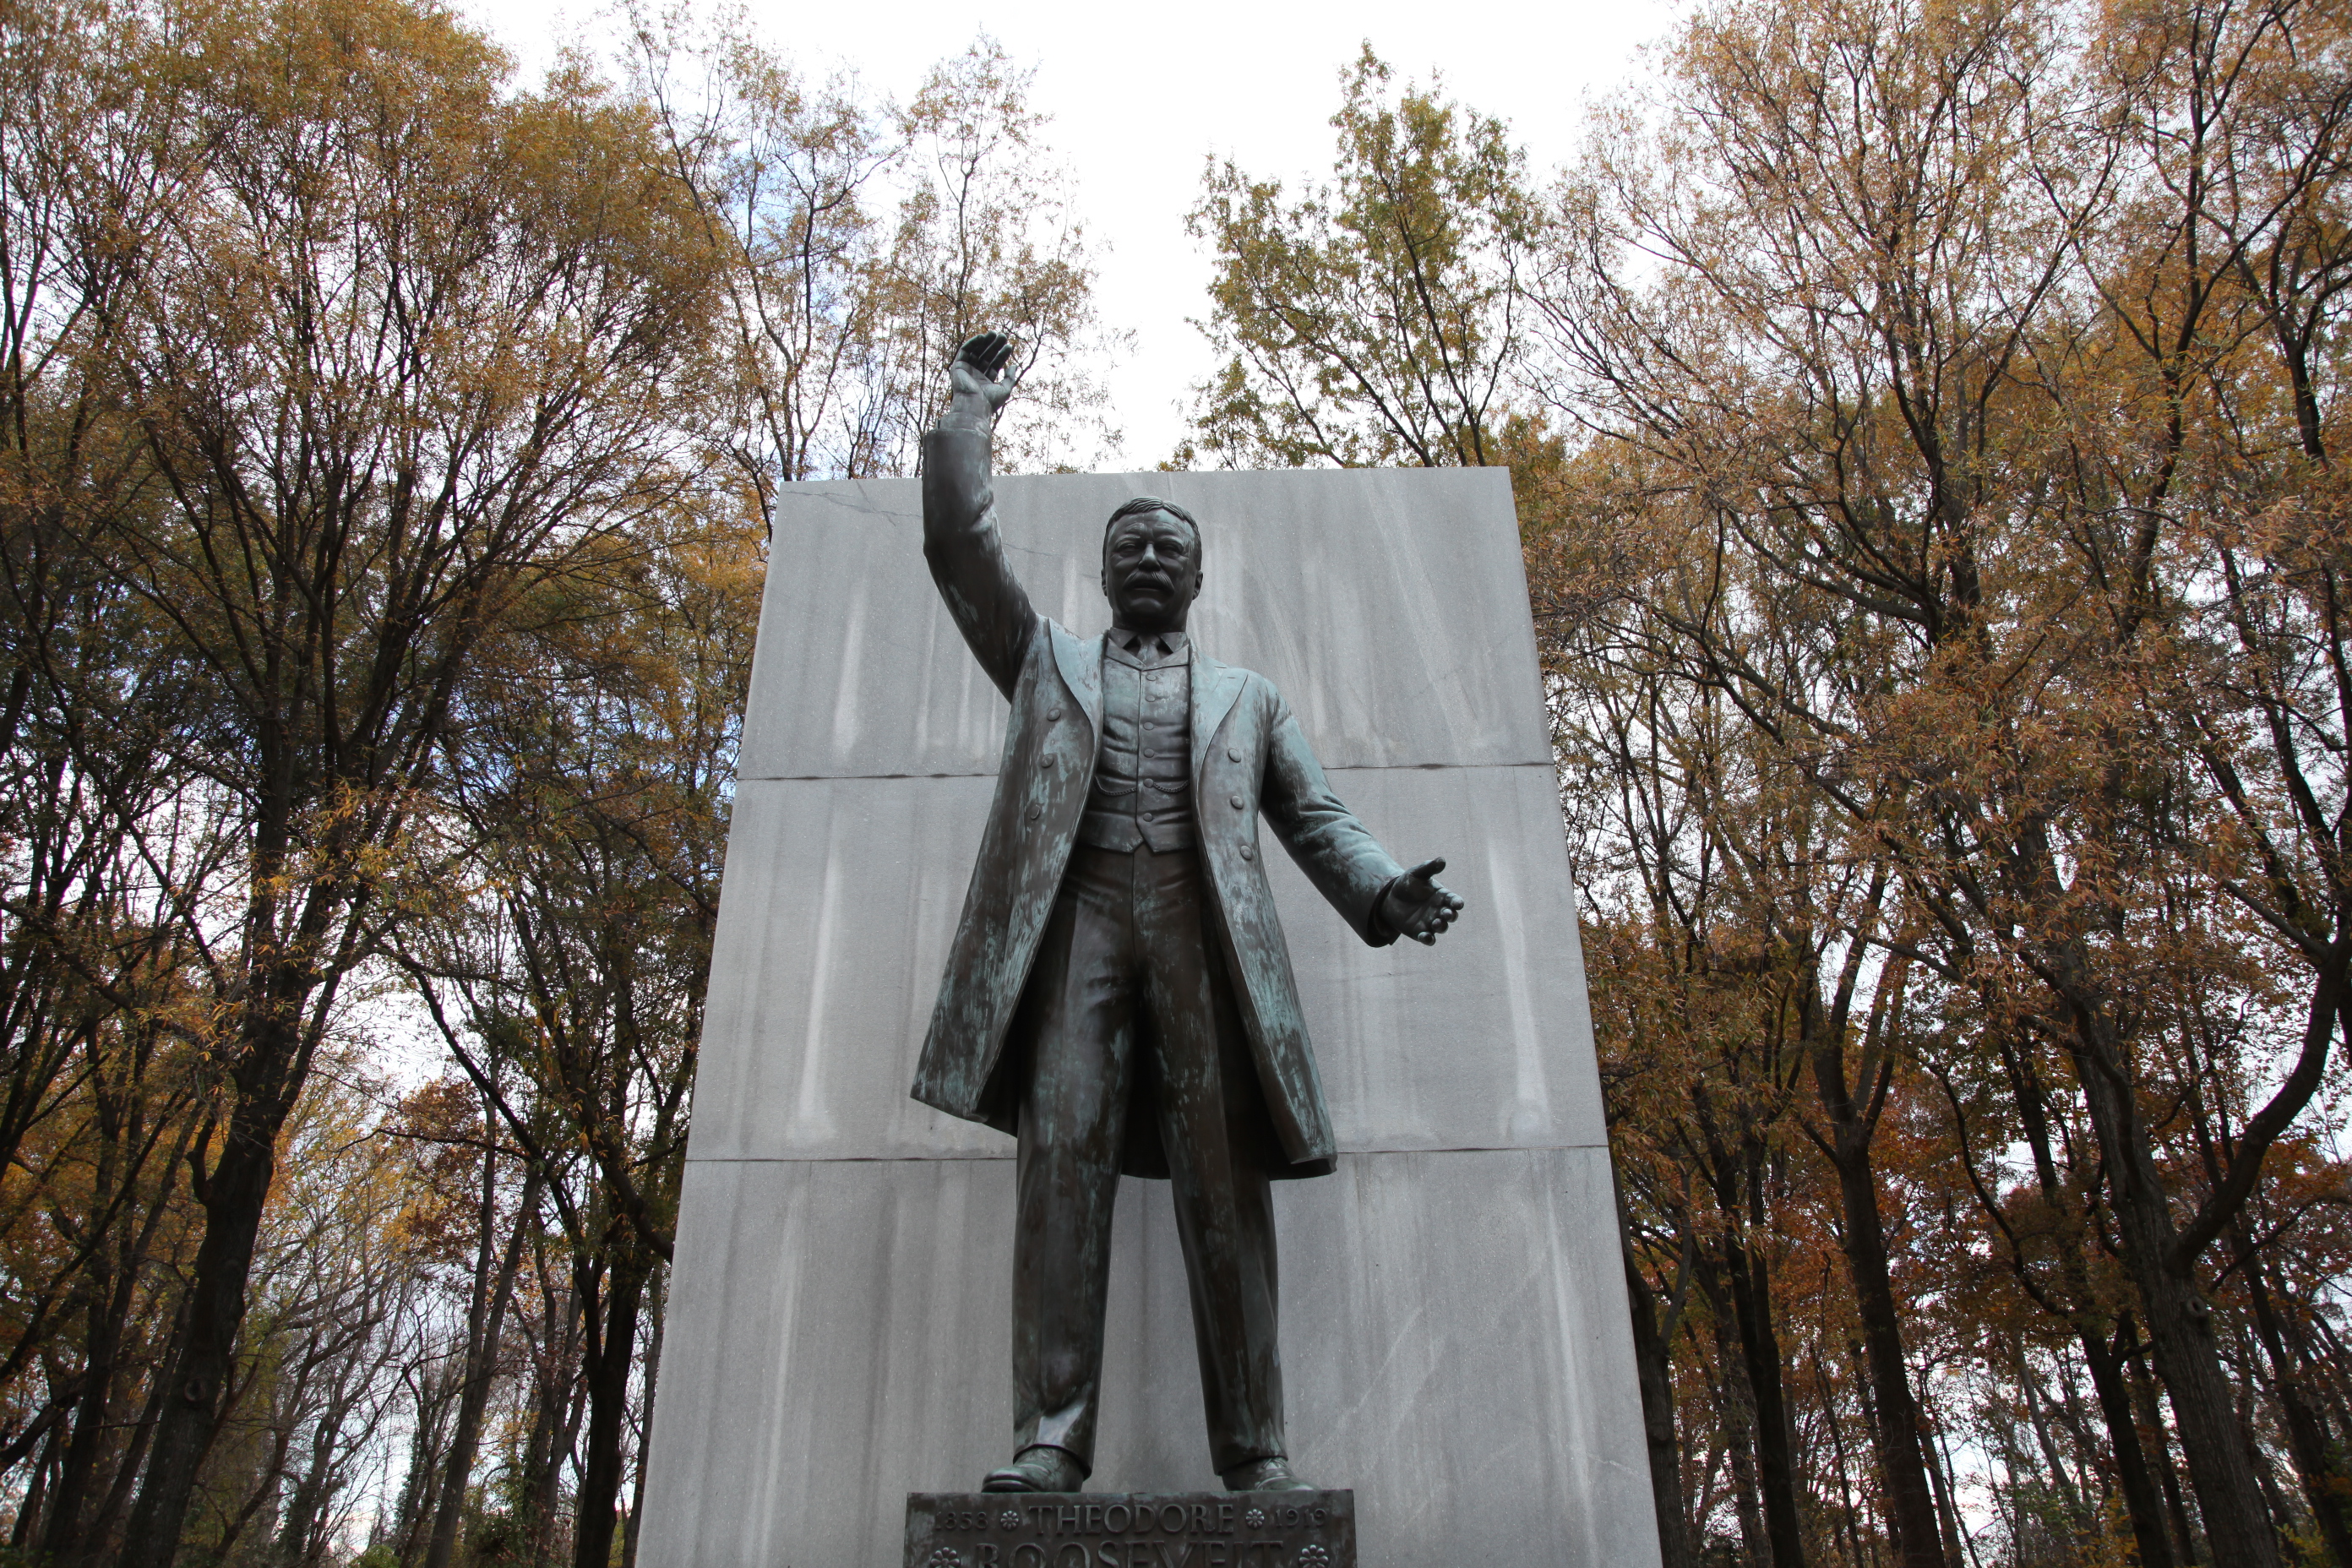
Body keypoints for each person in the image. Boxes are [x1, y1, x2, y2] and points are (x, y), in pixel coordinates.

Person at [912, 331, 1463, 1495]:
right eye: (1132, 544)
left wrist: (1380, 887)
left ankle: (1257, 1452)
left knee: (1227, 1191)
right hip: (1077, 937)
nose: (1151, 555)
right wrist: (970, 416)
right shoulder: (1043, 660)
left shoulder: (1248, 698)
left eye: (1171, 545)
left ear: (1198, 579)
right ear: (1105, 575)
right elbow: (959, 548)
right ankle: (1048, 1440)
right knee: (1060, 1179)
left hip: (1205, 944)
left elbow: (1314, 817)